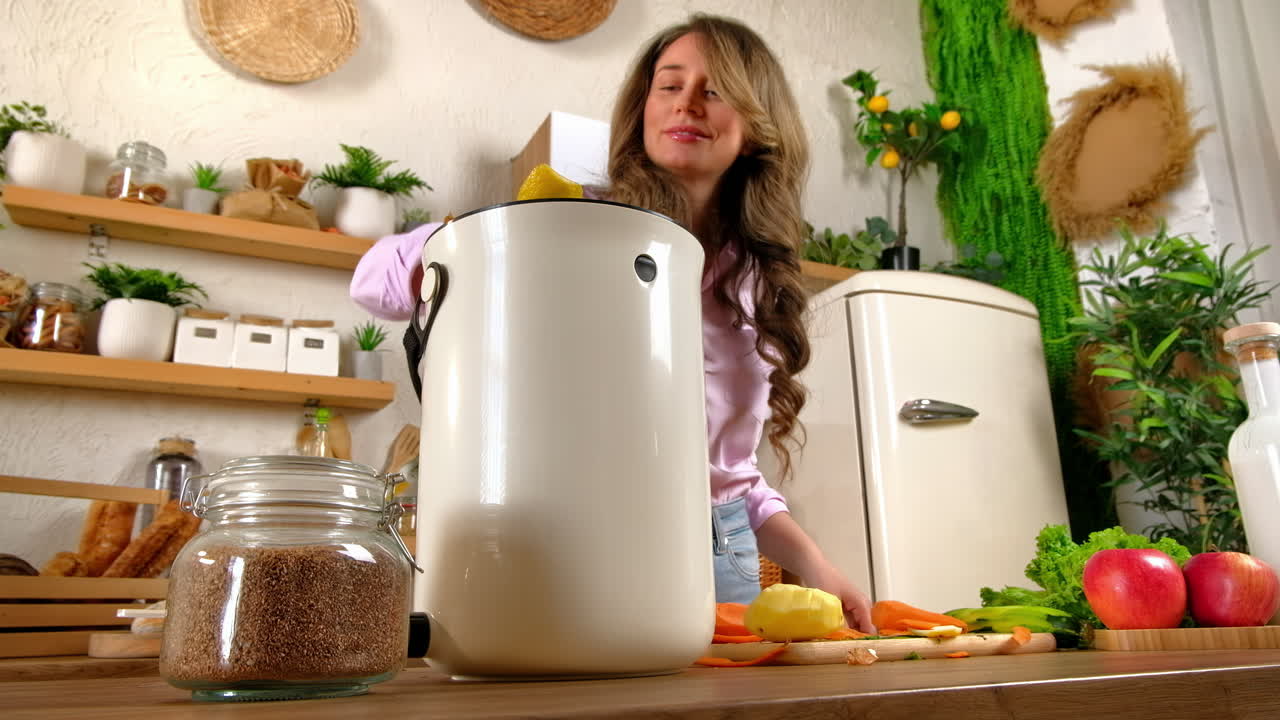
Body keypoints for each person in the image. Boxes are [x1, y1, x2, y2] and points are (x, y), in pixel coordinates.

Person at [350, 14, 875, 633]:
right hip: (581, 541)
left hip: (721, 552)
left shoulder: (757, 280)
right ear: (643, 108)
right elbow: (373, 282)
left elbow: (731, 481)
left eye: (715, 89)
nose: (687, 105)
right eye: (669, 85)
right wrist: (475, 239)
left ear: (758, 126)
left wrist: (814, 563)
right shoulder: (575, 220)